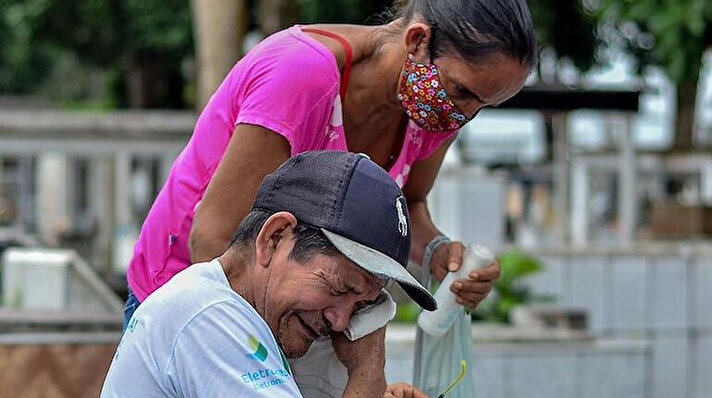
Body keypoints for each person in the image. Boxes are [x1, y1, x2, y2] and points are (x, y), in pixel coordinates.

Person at [102, 151, 435, 397]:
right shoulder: (209, 317)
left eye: (363, 307)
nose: (340, 321)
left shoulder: (247, 316)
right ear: (274, 237)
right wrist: (366, 374)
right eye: (338, 288)